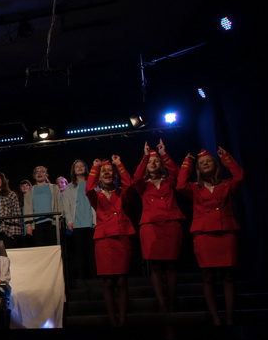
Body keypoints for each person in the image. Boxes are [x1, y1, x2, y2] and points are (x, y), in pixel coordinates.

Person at [177, 146, 244, 326]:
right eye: (202, 163)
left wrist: (226, 157)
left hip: (226, 232)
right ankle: (215, 317)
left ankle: (229, 316)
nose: (205, 164)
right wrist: (187, 162)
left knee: (228, 276)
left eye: (208, 161)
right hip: (204, 235)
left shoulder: (226, 185)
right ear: (198, 168)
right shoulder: (194, 188)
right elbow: (180, 185)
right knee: (208, 276)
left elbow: (239, 177)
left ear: (215, 165)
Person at [133, 140, 185, 314]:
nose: (153, 164)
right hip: (150, 226)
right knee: (155, 266)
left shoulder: (168, 181)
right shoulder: (143, 185)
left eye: (156, 161)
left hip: (170, 224)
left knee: (171, 266)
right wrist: (145, 156)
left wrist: (163, 154)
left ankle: (172, 301)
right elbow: (136, 177)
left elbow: (177, 172)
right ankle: (161, 303)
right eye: (150, 162)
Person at [86, 156, 136, 327]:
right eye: (104, 172)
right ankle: (113, 321)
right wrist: (95, 167)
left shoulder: (121, 192)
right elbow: (88, 188)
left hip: (121, 238)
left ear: (114, 175)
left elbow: (130, 184)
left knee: (122, 281)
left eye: (110, 171)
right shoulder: (96, 196)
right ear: (99, 176)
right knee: (108, 282)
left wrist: (119, 164)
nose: (107, 173)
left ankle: (122, 320)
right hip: (104, 240)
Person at [62, 161, 96, 279]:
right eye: (77, 166)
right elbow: (66, 206)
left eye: (81, 166)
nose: (79, 168)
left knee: (92, 252)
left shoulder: (92, 184)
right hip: (77, 224)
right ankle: (81, 280)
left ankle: (95, 278)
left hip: (91, 223)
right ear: (73, 170)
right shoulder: (69, 187)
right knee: (79, 253)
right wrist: (69, 221)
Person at [23, 166, 63, 247]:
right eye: (37, 172)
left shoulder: (54, 188)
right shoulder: (30, 191)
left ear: (46, 174)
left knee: (53, 247)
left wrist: (59, 220)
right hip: (37, 225)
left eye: (42, 171)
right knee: (40, 248)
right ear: (34, 175)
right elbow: (27, 209)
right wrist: (28, 225)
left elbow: (59, 204)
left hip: (52, 223)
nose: (39, 173)